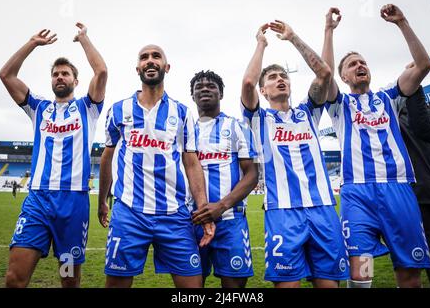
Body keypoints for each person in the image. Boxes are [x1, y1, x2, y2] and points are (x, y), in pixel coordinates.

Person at [322, 5, 430, 288]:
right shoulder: (339, 106)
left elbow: (423, 66)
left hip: (397, 189)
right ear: (344, 77)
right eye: (352, 64)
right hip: (357, 195)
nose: (360, 66)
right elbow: (323, 76)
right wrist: (328, 31)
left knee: (409, 270)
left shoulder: (389, 97)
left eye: (363, 62)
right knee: (362, 271)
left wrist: (403, 22)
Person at [241, 20, 349, 288]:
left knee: (329, 284)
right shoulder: (259, 118)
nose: (280, 79)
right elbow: (247, 82)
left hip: (323, 208)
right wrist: (261, 44)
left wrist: (293, 38)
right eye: (273, 78)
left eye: (283, 76)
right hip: (283, 212)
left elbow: (324, 74)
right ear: (263, 91)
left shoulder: (308, 112)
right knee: (288, 284)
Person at [0, 23, 108, 288]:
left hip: (73, 204)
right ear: (51, 80)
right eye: (56, 74)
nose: (60, 77)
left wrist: (83, 39)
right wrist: (32, 43)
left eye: (65, 74)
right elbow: (6, 75)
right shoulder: (38, 108)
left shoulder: (88, 107)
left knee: (69, 280)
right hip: (38, 200)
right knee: (14, 278)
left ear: (75, 80)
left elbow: (101, 71)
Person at [98, 44, 215, 288]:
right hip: (129, 212)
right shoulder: (118, 110)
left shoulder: (181, 112)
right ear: (137, 68)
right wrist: (102, 201)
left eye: (156, 56)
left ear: (166, 67)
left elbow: (191, 162)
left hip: (175, 215)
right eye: (144, 57)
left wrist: (203, 209)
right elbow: (107, 157)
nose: (150, 61)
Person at [189, 70, 259, 288]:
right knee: (191, 286)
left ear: (221, 93)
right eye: (199, 87)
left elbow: (252, 174)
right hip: (192, 220)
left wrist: (221, 206)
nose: (205, 89)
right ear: (192, 96)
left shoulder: (238, 126)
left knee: (234, 287)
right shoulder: (184, 130)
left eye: (211, 86)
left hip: (231, 220)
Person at [399, 85, 430, 288]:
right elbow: (423, 124)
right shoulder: (397, 122)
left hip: (426, 192)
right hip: (421, 196)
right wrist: (414, 84)